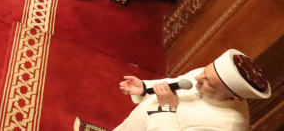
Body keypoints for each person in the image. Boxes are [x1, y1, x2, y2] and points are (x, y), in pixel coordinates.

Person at [113, 49, 270, 131]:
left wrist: (167, 108)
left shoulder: (227, 125)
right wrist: (146, 88)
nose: (197, 78)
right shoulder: (206, 76)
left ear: (231, 99)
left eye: (207, 82)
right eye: (204, 72)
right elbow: (175, 84)